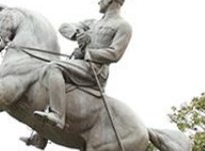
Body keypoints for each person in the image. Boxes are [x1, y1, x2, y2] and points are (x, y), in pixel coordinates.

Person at [33, 0, 132, 131]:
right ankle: (41, 135)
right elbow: (64, 26)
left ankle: (57, 116)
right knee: (52, 81)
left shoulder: (123, 26)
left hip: (95, 70)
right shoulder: (92, 23)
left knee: (54, 67)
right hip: (80, 65)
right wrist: (77, 33)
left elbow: (115, 54)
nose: (98, 2)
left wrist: (87, 52)